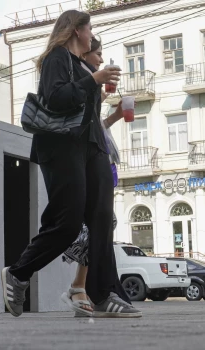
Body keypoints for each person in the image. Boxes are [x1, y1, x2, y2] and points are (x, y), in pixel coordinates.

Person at [1, 10, 142, 318]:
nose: (92, 35)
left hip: (91, 148)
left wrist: (101, 94)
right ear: (77, 30)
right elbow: (54, 98)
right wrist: (94, 80)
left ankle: (104, 294)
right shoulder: (57, 58)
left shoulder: (81, 64)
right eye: (89, 29)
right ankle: (19, 272)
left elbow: (83, 111)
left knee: (102, 219)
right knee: (67, 223)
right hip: (62, 149)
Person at [60, 36, 135, 317]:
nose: (102, 60)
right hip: (84, 166)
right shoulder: (81, 82)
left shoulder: (93, 88)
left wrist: (115, 115)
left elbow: (96, 127)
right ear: (84, 54)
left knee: (102, 225)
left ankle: (83, 288)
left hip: (102, 165)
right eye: (98, 54)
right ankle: (80, 288)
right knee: (93, 226)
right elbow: (83, 127)